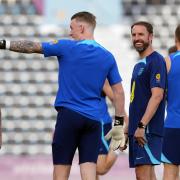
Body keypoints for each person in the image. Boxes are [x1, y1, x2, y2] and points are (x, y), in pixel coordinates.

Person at [0, 11, 126, 180]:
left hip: (69, 117)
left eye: (71, 28)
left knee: (60, 174)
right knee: (90, 174)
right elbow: (118, 92)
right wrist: (118, 124)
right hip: (94, 121)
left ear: (81, 27)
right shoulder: (108, 56)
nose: (69, 32)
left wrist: (4, 43)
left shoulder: (67, 46)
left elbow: (32, 46)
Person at [128, 21, 167, 180]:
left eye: (141, 34)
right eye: (134, 35)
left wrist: (141, 126)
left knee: (143, 175)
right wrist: (128, 128)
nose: (137, 38)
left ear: (150, 37)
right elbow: (135, 100)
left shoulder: (156, 61)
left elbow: (157, 96)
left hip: (146, 130)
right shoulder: (138, 66)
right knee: (146, 176)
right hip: (138, 130)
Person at [161, 24, 180, 180]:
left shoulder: (167, 61)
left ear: (176, 39)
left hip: (173, 125)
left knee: (170, 172)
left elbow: (157, 95)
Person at [96, 80, 119, 180]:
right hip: (83, 122)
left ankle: (118, 143)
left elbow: (116, 99)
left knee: (100, 169)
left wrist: (124, 119)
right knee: (89, 166)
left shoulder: (100, 75)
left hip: (100, 123)